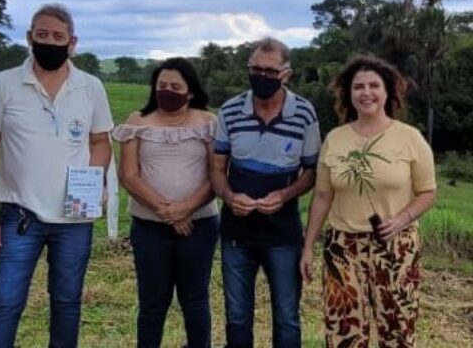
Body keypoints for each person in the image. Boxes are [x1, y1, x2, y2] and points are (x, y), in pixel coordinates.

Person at [0, 3, 114, 348]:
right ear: (29, 38)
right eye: (42, 35)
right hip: (18, 214)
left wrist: (94, 180)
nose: (49, 42)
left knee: (67, 303)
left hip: (74, 218)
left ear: (72, 42)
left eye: (58, 36)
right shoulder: (3, 84)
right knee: (5, 303)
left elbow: (100, 141)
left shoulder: (91, 87)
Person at [301, 56, 438, 347]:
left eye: (374, 85)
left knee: (398, 329)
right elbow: (323, 196)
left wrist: (401, 219)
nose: (366, 93)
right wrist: (308, 247)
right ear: (349, 94)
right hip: (342, 249)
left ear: (387, 91)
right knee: (343, 332)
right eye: (358, 87)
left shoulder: (410, 138)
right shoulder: (335, 139)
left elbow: (428, 192)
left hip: (396, 247)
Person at [210, 37, 321, 348]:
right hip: (237, 232)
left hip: (283, 233)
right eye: (256, 69)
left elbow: (312, 173)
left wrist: (285, 195)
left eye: (270, 72)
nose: (262, 76)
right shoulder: (231, 110)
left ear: (287, 73)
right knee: (237, 317)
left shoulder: (304, 113)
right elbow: (217, 168)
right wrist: (230, 197)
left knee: (287, 318)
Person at [114, 57, 219, 348]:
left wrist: (186, 208)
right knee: (152, 303)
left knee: (195, 300)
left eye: (175, 86)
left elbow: (217, 174)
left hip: (199, 226)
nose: (167, 91)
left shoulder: (208, 123)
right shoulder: (137, 122)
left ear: (191, 91)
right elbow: (129, 175)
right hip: (149, 229)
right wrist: (167, 211)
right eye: (162, 85)